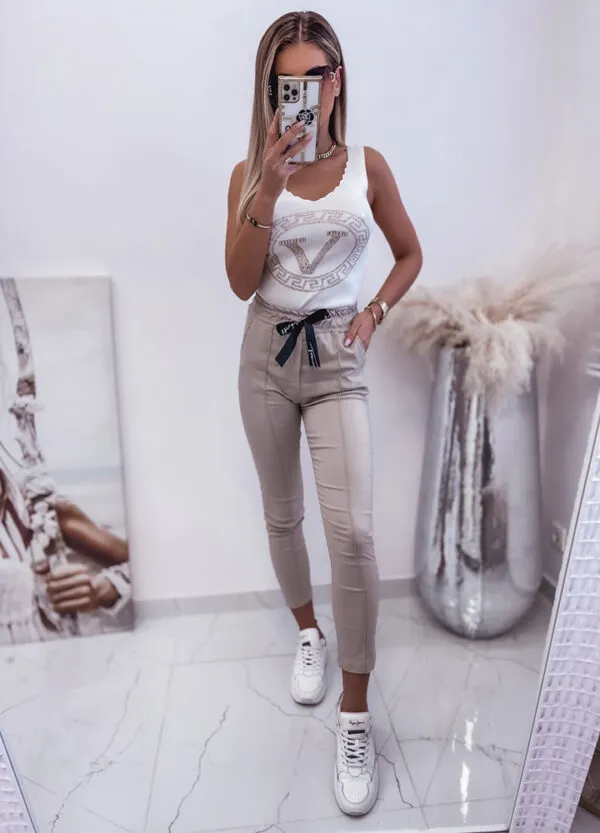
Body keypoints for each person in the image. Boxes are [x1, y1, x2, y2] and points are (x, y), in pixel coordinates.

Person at [225, 10, 422, 817]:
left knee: (355, 536)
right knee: (283, 515)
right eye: (287, 83)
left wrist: (374, 311)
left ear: (337, 81)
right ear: (269, 90)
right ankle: (309, 631)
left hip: (338, 359)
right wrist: (267, 189)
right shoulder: (248, 174)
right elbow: (240, 281)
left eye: (315, 77)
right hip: (266, 358)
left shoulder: (367, 167)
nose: (302, 94)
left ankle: (355, 712)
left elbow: (409, 252)